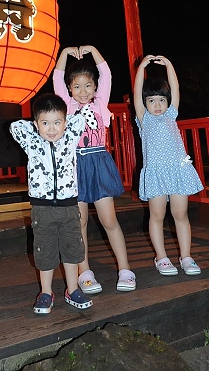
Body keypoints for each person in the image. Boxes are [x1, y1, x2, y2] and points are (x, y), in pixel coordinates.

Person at [53, 45, 136, 294]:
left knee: (109, 219)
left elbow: (106, 73)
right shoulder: (65, 105)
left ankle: (125, 269)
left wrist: (92, 50)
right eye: (76, 86)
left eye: (87, 85)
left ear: (95, 87)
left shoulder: (100, 103)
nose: (82, 91)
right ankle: (85, 272)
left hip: (98, 164)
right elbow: (57, 77)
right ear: (69, 89)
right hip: (75, 166)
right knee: (79, 222)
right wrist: (66, 52)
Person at [9, 93, 93, 314]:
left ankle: (72, 289)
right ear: (36, 124)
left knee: (72, 250)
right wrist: (36, 126)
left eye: (57, 122)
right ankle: (46, 292)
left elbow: (79, 119)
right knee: (44, 251)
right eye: (45, 123)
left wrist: (62, 120)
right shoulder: (32, 142)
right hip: (42, 207)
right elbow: (15, 127)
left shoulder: (70, 136)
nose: (52, 128)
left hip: (69, 206)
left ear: (65, 123)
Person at [133, 54, 204, 276]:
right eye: (152, 100)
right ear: (145, 103)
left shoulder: (171, 114)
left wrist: (170, 66)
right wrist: (142, 67)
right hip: (155, 173)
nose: (157, 104)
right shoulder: (144, 119)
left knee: (181, 214)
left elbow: (175, 88)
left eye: (161, 100)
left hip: (177, 171)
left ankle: (186, 257)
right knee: (157, 215)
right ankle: (162, 258)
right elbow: (136, 94)